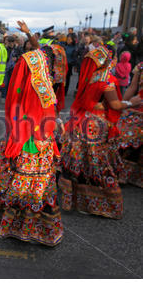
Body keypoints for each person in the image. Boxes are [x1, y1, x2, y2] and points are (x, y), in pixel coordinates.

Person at [0, 27, 64, 246]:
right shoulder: (39, 71)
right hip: (33, 137)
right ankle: (21, 226)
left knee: (18, 179)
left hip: (34, 135)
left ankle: (3, 221)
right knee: (25, 181)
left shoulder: (39, 70)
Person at [59, 45, 141, 219]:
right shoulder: (108, 80)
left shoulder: (91, 76)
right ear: (109, 60)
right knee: (98, 163)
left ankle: (76, 200)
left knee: (81, 162)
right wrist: (132, 102)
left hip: (83, 122)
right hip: (97, 125)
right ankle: (98, 202)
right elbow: (116, 105)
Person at [116, 62, 143, 188]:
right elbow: (132, 87)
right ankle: (122, 173)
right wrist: (123, 105)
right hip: (137, 107)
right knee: (123, 135)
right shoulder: (141, 66)